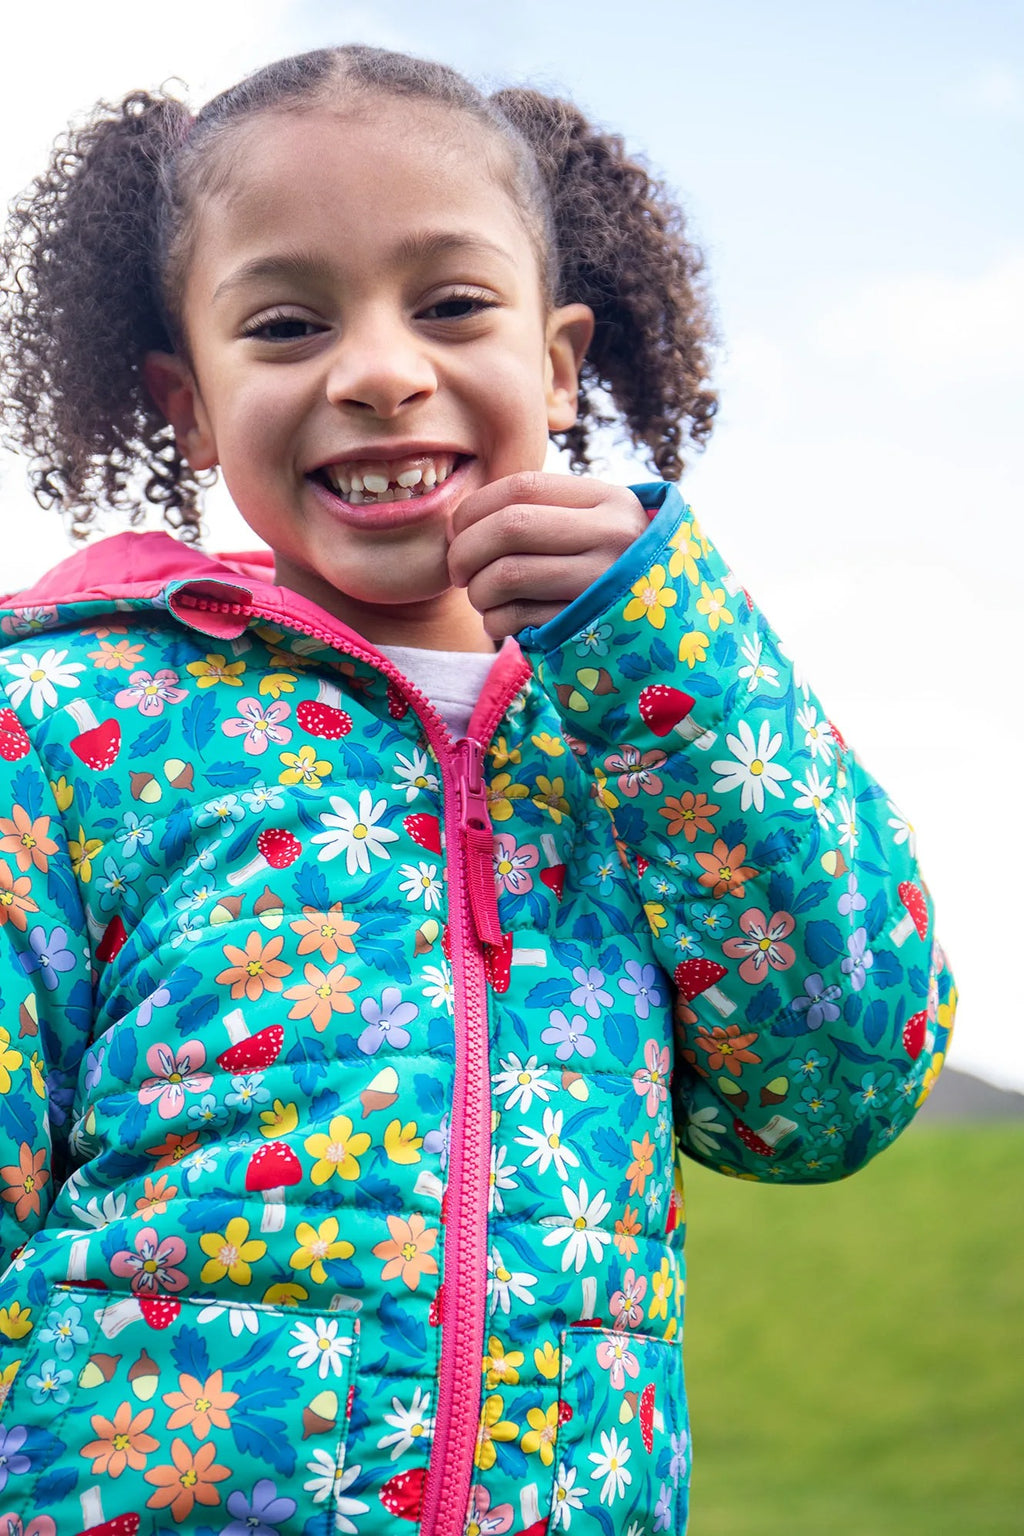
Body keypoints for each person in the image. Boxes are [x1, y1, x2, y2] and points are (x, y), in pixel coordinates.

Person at [0, 43, 955, 1536]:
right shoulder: (65, 716)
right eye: (288, 322)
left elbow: (835, 1089)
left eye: (450, 304)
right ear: (185, 408)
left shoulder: (644, 731)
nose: (380, 370)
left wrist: (667, 654)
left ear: (558, 363)